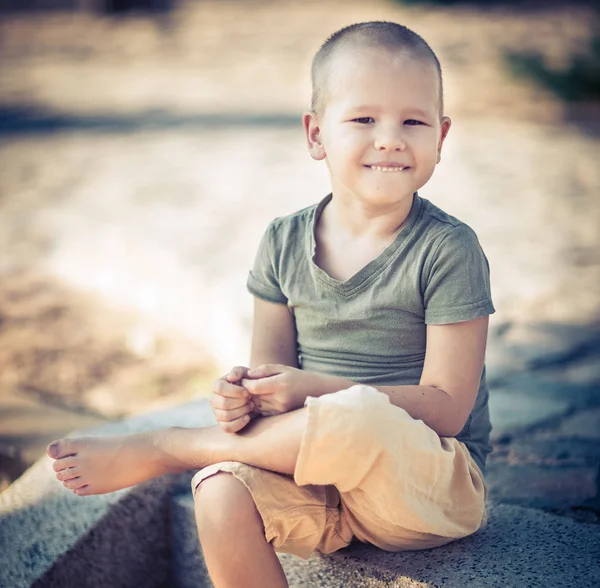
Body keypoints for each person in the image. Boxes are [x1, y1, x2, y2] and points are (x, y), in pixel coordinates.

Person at [46, 21, 495, 588]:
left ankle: (165, 448)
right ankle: (199, 455)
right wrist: (243, 399)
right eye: (362, 119)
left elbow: (448, 408)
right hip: (319, 483)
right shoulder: (283, 243)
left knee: (355, 417)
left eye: (413, 120)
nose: (390, 138)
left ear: (441, 137)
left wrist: (310, 390)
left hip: (427, 487)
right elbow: (272, 387)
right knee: (220, 491)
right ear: (315, 135)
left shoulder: (448, 249)